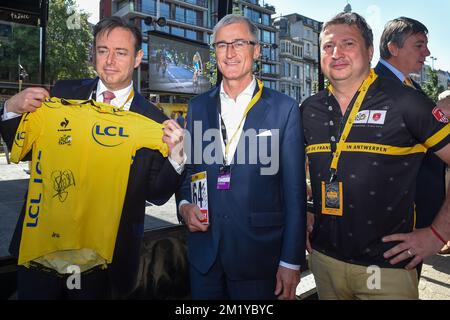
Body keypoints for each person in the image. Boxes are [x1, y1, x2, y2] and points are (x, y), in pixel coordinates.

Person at [0, 16, 185, 299]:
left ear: (137, 58)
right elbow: (23, 148)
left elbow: (157, 195)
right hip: (41, 248)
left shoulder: (152, 120)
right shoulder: (62, 94)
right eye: (102, 50)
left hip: (104, 260)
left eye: (120, 52)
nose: (110, 60)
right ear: (94, 54)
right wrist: (11, 108)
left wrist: (176, 157)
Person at [302, 12, 450, 300]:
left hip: (386, 269)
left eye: (348, 43)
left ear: (370, 51)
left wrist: (438, 233)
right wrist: (306, 210)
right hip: (324, 261)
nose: (336, 53)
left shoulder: (407, 101)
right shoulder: (309, 108)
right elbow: (300, 170)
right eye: (328, 46)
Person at [176, 14, 306, 300]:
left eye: (239, 43)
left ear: (256, 50)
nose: (230, 52)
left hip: (259, 261)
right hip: (205, 258)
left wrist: (290, 261)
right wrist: (185, 206)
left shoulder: (284, 109)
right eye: (222, 44)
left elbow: (294, 193)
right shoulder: (197, 107)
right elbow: (187, 171)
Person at [374, 17, 446, 274]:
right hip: (388, 229)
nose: (427, 52)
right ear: (393, 48)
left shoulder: (409, 86)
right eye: (419, 45)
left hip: (413, 222)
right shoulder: (373, 88)